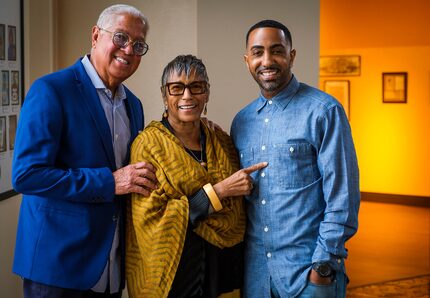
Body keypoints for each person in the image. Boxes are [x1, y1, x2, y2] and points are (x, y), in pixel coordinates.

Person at [12, 5, 158, 297]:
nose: (129, 50)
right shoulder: (51, 90)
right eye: (120, 38)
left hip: (112, 269)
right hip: (58, 268)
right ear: (95, 35)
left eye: (138, 45)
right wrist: (109, 182)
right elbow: (27, 175)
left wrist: (198, 127)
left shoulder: (135, 105)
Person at [230, 20, 360, 298]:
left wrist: (323, 266)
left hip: (308, 277)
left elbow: (343, 197)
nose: (267, 60)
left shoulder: (324, 111)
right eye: (257, 52)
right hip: (256, 278)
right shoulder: (241, 122)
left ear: (292, 55)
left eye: (276, 50)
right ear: (246, 60)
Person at [126, 54, 267, 298]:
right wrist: (219, 191)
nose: (187, 96)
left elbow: (238, 211)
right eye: (176, 88)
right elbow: (152, 218)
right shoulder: (148, 145)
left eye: (196, 87)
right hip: (177, 270)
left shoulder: (221, 140)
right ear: (164, 95)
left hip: (224, 266)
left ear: (207, 93)